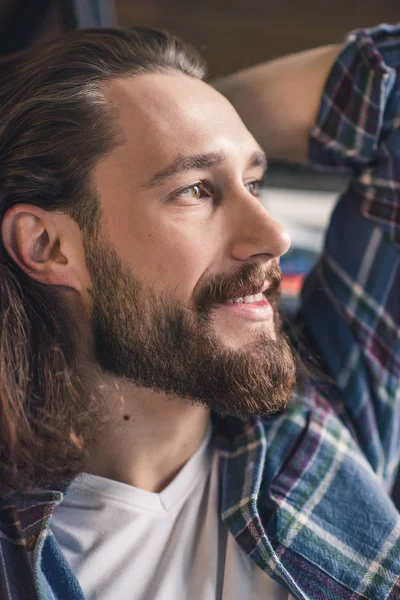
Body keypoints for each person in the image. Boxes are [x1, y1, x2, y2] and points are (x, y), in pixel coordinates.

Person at [0, 21, 399, 600]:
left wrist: (183, 105)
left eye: (254, 182)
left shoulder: (332, 404)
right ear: (46, 245)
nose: (274, 236)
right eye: (195, 190)